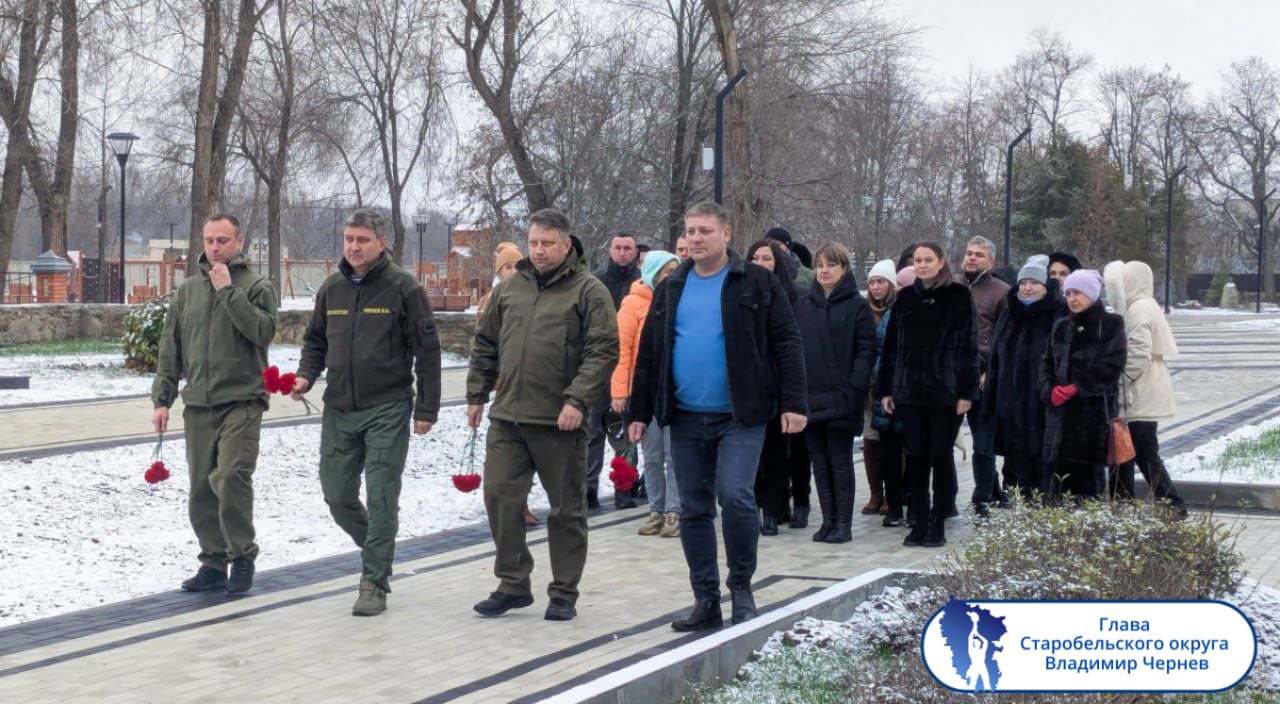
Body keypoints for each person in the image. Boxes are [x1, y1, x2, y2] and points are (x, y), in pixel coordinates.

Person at [628, 201, 807, 631]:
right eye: (690, 231)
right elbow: (650, 353)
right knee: (693, 508)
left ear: (726, 234)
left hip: (740, 415)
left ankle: (741, 589)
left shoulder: (757, 282)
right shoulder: (672, 287)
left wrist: (795, 402)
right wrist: (639, 412)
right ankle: (706, 599)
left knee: (736, 495)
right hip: (685, 417)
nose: (695, 238)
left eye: (705, 231)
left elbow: (787, 342)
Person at [467, 208, 618, 622]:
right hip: (509, 416)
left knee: (566, 509)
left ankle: (564, 591)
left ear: (566, 245)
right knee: (499, 497)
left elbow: (603, 350)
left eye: (547, 243)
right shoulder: (510, 289)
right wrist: (477, 393)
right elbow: (486, 343)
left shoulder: (589, 291)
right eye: (533, 242)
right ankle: (513, 583)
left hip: (560, 420)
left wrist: (577, 400)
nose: (538, 250)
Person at [292, 209, 441, 616]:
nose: (354, 247)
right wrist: (306, 376)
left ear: (381, 243)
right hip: (340, 408)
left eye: (362, 240)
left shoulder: (404, 288)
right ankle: (380, 548)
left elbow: (428, 352)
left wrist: (427, 408)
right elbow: (315, 341)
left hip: (387, 408)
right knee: (337, 495)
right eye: (349, 239)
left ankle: (373, 582)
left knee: (381, 497)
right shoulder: (332, 289)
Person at [152, 214, 278, 597]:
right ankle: (213, 562)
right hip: (199, 405)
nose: (215, 247)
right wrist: (162, 399)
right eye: (209, 240)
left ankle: (242, 556)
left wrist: (227, 292)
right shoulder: (188, 291)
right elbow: (170, 347)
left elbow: (262, 331)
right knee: (201, 489)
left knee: (230, 477)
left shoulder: (257, 286)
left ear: (239, 242)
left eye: (222, 240)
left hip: (242, 400)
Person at [877, 243, 979, 548]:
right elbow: (891, 347)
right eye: (918, 261)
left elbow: (969, 345)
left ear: (941, 262)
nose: (922, 265)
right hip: (910, 391)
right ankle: (919, 520)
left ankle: (939, 519)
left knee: (941, 455)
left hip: (945, 391)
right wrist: (886, 388)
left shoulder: (959, 295)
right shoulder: (906, 297)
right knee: (917, 457)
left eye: (928, 260)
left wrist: (966, 391)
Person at [794, 243, 877, 543]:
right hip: (811, 395)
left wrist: (854, 386)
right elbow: (795, 347)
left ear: (844, 269)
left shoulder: (857, 306)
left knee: (840, 460)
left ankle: (843, 523)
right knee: (818, 460)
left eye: (831, 265)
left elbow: (866, 350)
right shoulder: (804, 304)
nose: (824, 271)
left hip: (843, 395)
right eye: (820, 265)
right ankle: (828, 520)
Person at [1104, 261, 1187, 516]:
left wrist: (1117, 380)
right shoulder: (1145, 305)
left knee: (1139, 450)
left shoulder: (1138, 308)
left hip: (1139, 393)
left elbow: (1138, 354)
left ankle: (1170, 502)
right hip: (1145, 389)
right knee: (1132, 450)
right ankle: (1126, 502)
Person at [983, 256, 1067, 501]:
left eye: (1035, 283)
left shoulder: (1058, 315)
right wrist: (991, 399)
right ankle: (1023, 510)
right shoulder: (1010, 314)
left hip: (1043, 405)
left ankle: (1045, 509)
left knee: (1045, 467)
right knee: (1017, 467)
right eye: (1023, 283)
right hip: (1011, 404)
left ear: (1045, 286)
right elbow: (996, 359)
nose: (1028, 288)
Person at [1039, 269, 1126, 504]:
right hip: (1060, 419)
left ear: (1092, 294)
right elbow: (1046, 364)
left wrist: (1078, 387)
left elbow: (1112, 365)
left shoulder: (1110, 324)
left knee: (1088, 488)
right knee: (1057, 485)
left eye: (1078, 293)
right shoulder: (1061, 326)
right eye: (1068, 293)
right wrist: (1050, 389)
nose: (1072, 298)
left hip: (1093, 418)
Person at [612, 250, 682, 538]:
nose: (672, 277)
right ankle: (656, 508)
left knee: (674, 454)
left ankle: (674, 510)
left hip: (674, 390)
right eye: (667, 272)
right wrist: (620, 391)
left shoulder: (680, 299)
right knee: (651, 454)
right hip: (643, 391)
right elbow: (622, 349)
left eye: (675, 271)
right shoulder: (633, 303)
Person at [745, 238, 809, 534]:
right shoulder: (741, 295)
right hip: (753, 383)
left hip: (785, 384)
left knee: (785, 451)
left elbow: (794, 345)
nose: (760, 264)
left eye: (766, 259)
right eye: (755, 258)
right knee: (757, 452)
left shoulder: (795, 297)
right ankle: (763, 505)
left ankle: (788, 503)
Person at [478, 242, 539, 528]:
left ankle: (522, 501)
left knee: (528, 449)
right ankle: (514, 505)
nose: (513, 271)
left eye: (516, 265)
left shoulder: (531, 295)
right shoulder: (492, 300)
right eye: (507, 267)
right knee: (508, 450)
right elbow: (484, 342)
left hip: (530, 382)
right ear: (499, 271)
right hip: (504, 383)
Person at [956, 236, 1010, 515]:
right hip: (953, 377)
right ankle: (950, 499)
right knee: (942, 444)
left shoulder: (1001, 292)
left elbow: (1004, 338)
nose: (972, 258)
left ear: (990, 261)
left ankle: (982, 498)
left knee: (984, 444)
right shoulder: (953, 286)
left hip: (982, 378)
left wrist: (991, 372)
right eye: (969, 253)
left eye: (979, 254)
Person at [586, 233, 640, 509]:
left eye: (627, 248)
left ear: (635, 251)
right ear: (609, 250)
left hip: (629, 368)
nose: (622, 253)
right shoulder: (596, 281)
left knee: (626, 433)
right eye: (617, 248)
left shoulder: (641, 282)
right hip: (600, 366)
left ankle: (625, 487)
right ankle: (588, 488)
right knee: (593, 430)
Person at [862, 259, 898, 518]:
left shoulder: (898, 310)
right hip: (867, 387)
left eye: (881, 282)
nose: (876, 287)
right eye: (872, 282)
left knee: (891, 442)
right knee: (870, 441)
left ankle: (892, 494)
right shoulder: (862, 311)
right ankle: (875, 493)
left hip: (890, 386)